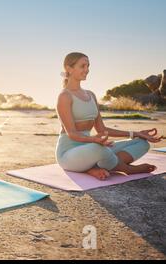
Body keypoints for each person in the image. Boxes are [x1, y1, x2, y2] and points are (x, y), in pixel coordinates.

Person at [55, 52, 163, 180]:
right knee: (100, 149)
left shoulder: (91, 95)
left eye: (88, 66)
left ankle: (95, 167)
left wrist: (136, 133)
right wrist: (94, 140)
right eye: (83, 66)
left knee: (142, 143)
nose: (87, 70)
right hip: (69, 154)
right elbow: (72, 133)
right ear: (69, 68)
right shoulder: (64, 96)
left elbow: (102, 130)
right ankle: (127, 169)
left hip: (91, 148)